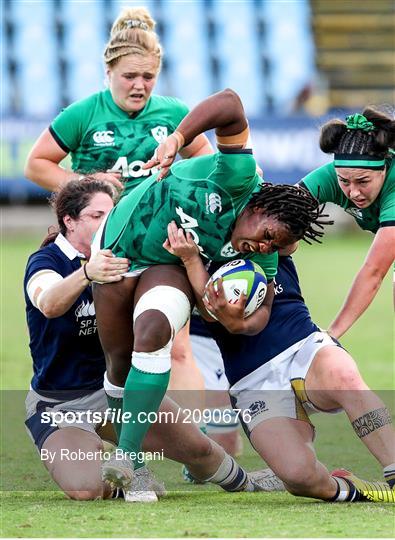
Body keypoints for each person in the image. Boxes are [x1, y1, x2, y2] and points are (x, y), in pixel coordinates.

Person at [92, 88, 331, 489]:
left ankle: (129, 463)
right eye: (268, 234)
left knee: (152, 333)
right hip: (116, 246)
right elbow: (232, 103)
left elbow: (258, 319)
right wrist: (177, 138)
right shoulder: (238, 179)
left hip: (168, 263)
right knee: (117, 365)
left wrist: (237, 321)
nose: (264, 248)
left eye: (275, 246)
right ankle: (138, 459)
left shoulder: (262, 260)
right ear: (258, 208)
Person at [24, 178, 282, 503]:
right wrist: (87, 273)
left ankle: (248, 483)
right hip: (63, 404)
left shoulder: (131, 255)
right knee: (86, 488)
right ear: (69, 221)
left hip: (120, 393)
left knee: (201, 451)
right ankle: (130, 469)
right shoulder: (48, 261)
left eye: (110, 213)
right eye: (95, 215)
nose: (107, 222)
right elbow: (48, 303)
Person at [23, 4, 212, 441]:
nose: (140, 85)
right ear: (109, 72)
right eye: (130, 76)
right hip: (99, 245)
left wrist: (180, 183)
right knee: (104, 346)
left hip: (155, 245)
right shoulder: (84, 113)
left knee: (175, 345)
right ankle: (91, 425)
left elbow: (206, 162)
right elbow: (37, 165)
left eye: (148, 76)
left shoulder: (173, 114)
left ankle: (195, 444)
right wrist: (88, 180)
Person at [164, 228, 395, 503]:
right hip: (253, 378)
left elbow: (293, 232)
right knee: (299, 476)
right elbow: (217, 316)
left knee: (343, 374)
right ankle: (355, 489)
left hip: (303, 346)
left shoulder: (260, 215)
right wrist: (191, 260)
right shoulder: (186, 238)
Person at [299, 109, 395, 338]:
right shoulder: (332, 176)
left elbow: (374, 271)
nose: (353, 191)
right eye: (344, 181)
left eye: (363, 181)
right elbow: (282, 209)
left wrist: (330, 336)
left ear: (384, 168)